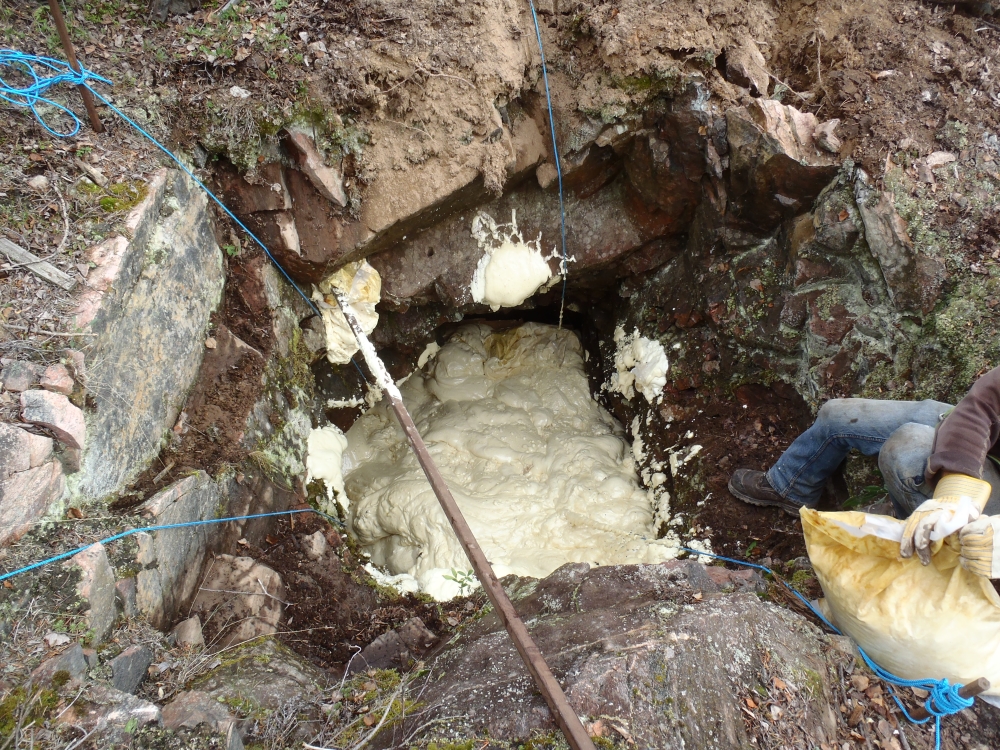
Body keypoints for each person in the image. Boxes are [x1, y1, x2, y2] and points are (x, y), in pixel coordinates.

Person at [728, 367, 1000, 569]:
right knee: (838, 415)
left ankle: (905, 537)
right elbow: (985, 400)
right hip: (985, 449)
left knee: (906, 449)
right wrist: (957, 485)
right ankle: (791, 487)